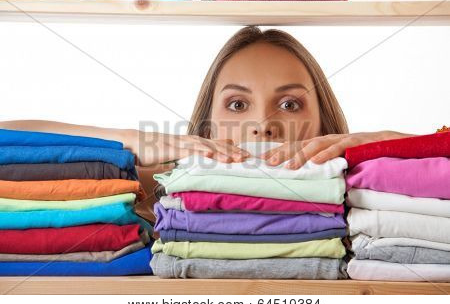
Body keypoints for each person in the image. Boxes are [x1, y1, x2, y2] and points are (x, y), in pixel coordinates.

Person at [0, 26, 413, 210]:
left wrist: (391, 144)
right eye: (237, 104)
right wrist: (125, 140)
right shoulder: (168, 188)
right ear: (206, 129)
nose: (262, 125)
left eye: (289, 104)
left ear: (326, 128)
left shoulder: (372, 202)